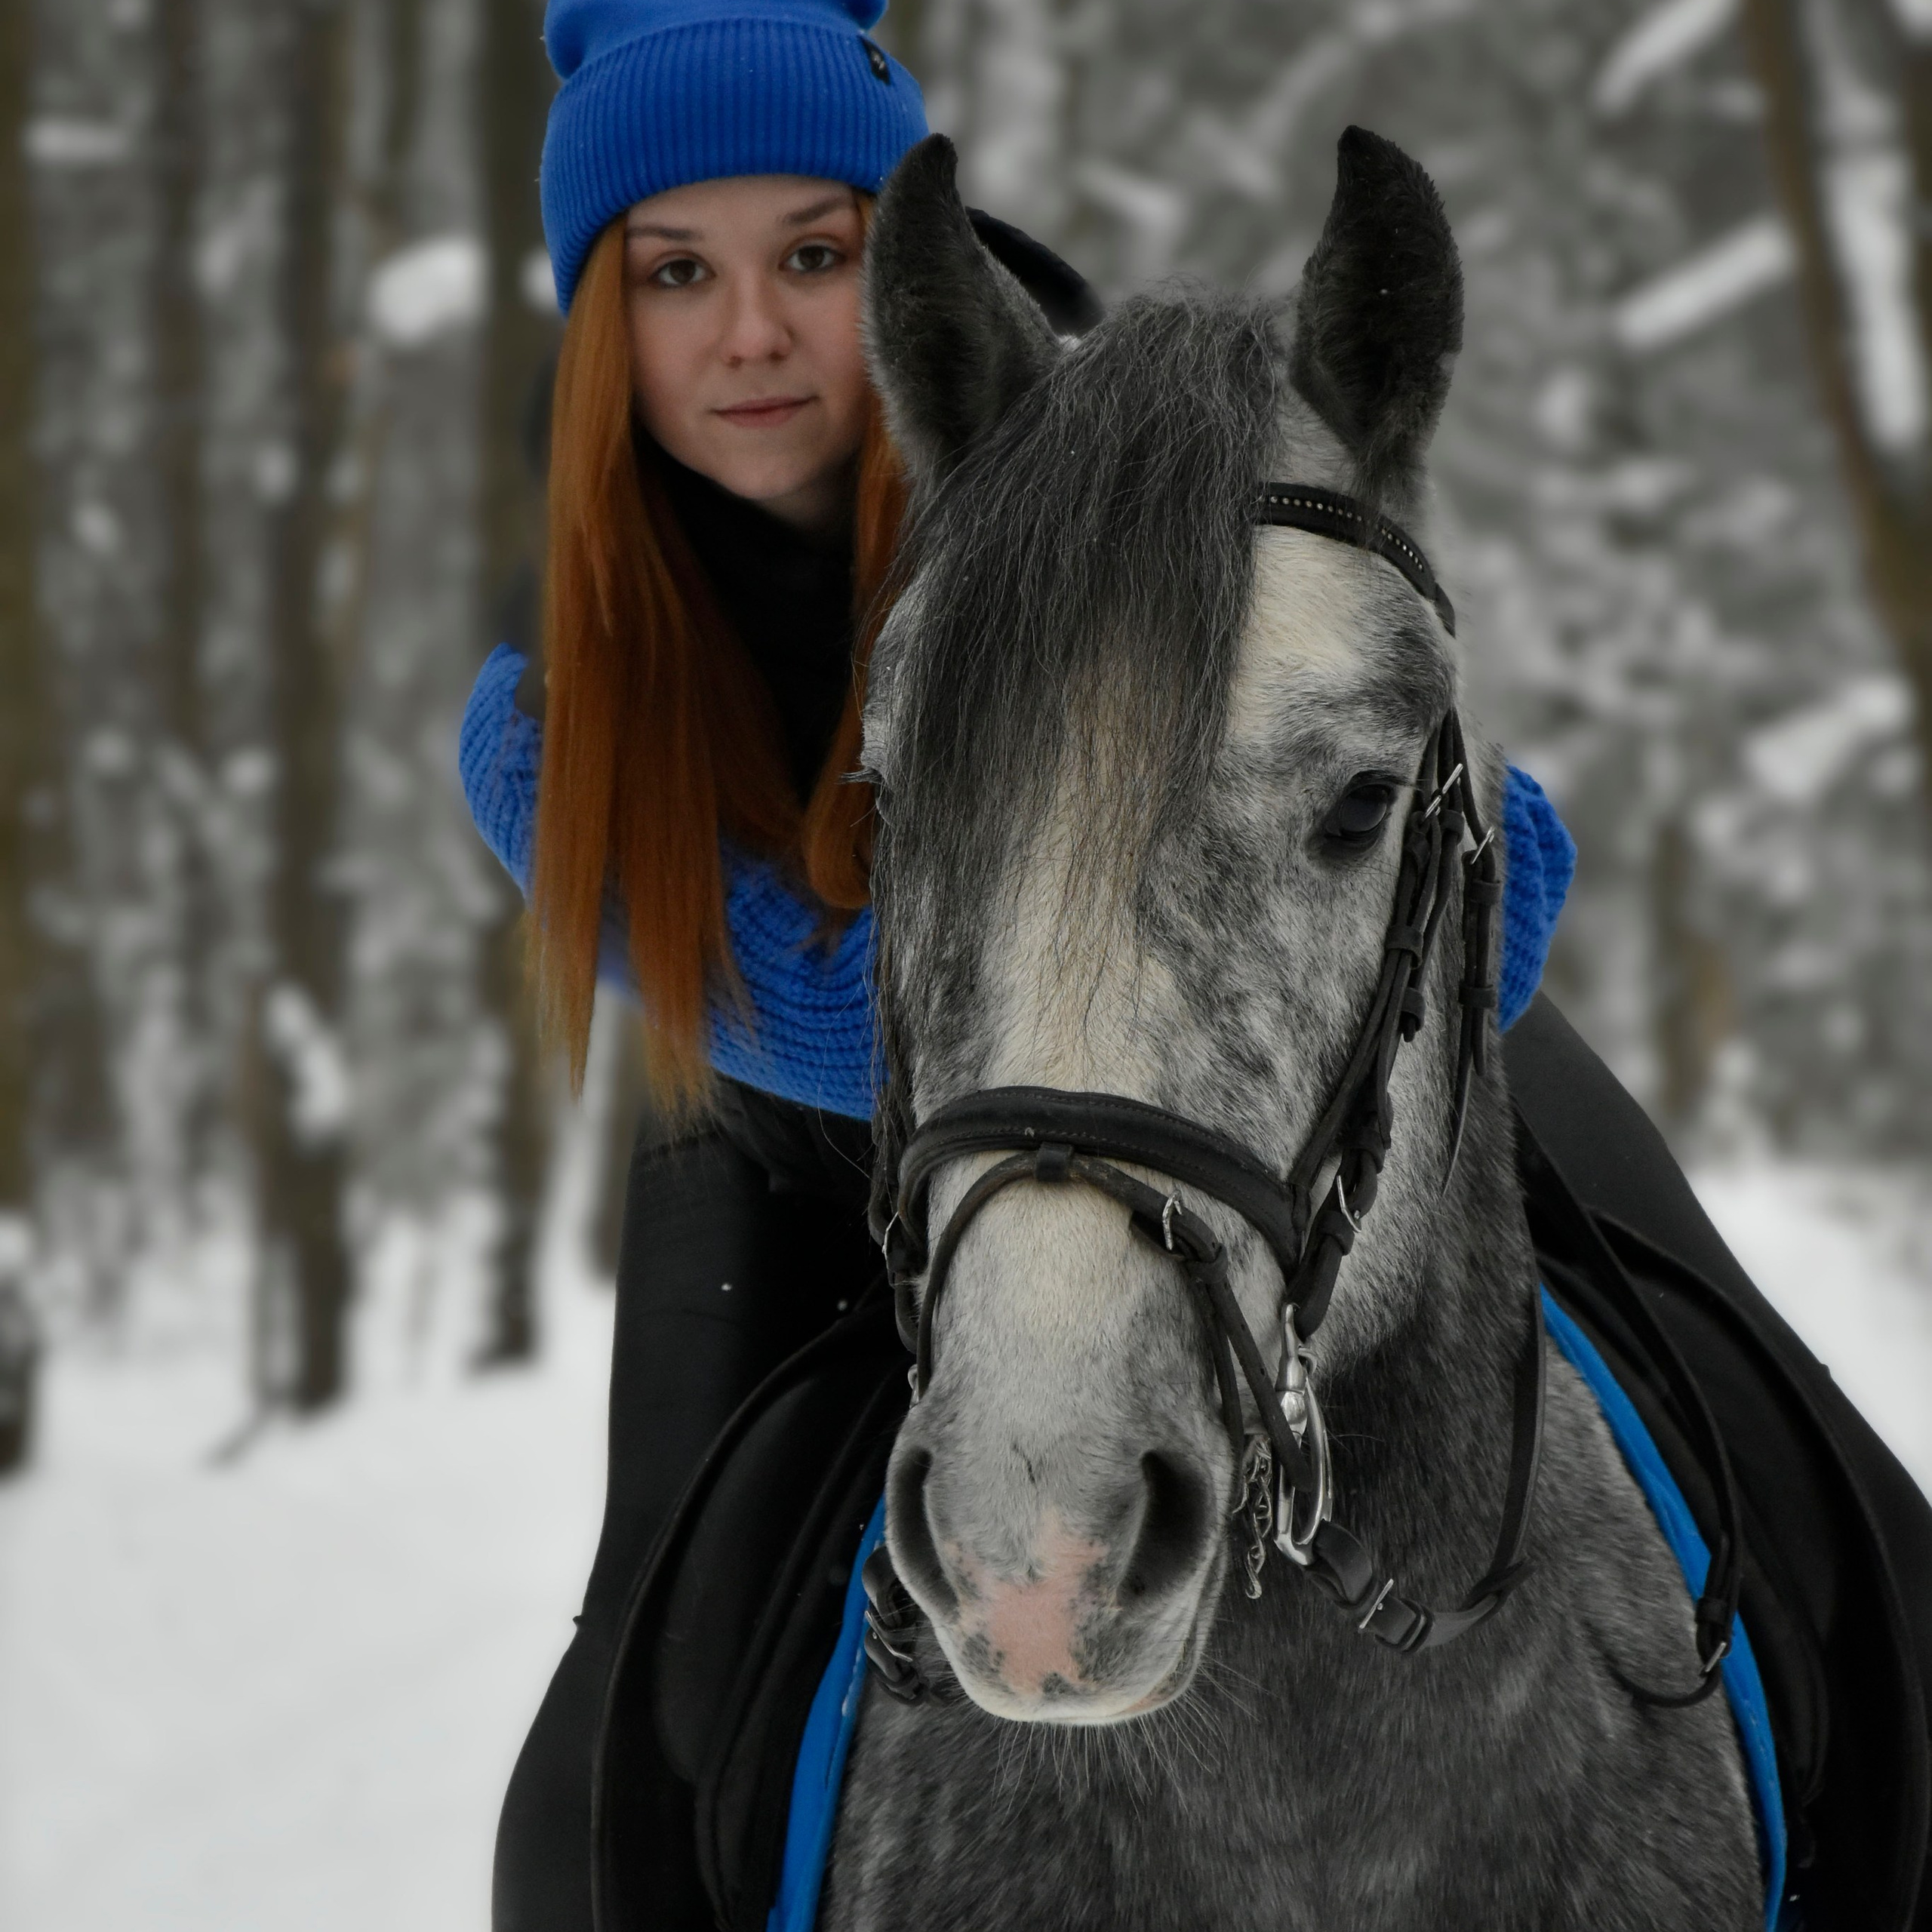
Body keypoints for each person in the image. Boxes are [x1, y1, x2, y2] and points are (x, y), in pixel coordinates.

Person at [458, 2, 1577, 1924]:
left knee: (1708, 1342)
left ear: (892, 277)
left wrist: (1429, 920)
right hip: (813, 1141)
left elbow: (1355, 728)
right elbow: (815, 1006)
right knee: (659, 1629)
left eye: (813, 256)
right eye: (673, 273)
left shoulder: (1084, 456)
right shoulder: (546, 709)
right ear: (596, 325)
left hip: (1261, 1069)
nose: (748, 333)